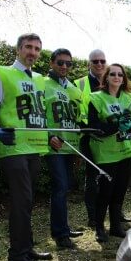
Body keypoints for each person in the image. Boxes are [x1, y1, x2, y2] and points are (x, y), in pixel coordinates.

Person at [0, 33, 55, 261]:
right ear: (18, 49)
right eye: (28, 47)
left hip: (33, 145)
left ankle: (27, 247)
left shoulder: (39, 80)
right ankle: (16, 255)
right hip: (13, 148)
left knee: (28, 199)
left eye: (37, 49)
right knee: (21, 199)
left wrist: (50, 135)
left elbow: (40, 112)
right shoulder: (3, 74)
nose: (32, 52)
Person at [88, 64, 131, 242]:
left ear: (124, 78)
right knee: (105, 191)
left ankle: (115, 226)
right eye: (112, 74)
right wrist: (115, 126)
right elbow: (94, 127)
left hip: (126, 151)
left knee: (120, 190)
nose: (116, 77)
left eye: (120, 74)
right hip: (106, 153)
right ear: (106, 77)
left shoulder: (130, 97)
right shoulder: (96, 98)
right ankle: (99, 227)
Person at [43, 48, 84, 249]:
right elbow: (36, 113)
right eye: (60, 62)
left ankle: (64, 227)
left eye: (68, 63)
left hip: (71, 146)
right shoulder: (42, 84)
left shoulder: (74, 88)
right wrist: (48, 136)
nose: (64, 67)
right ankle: (60, 234)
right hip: (54, 147)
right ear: (51, 63)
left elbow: (79, 118)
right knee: (59, 188)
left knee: (66, 187)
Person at [75, 49, 106, 228]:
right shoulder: (79, 84)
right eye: (95, 61)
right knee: (92, 178)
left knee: (111, 178)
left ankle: (115, 212)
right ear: (89, 64)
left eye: (102, 61)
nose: (99, 64)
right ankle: (92, 216)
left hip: (109, 138)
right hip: (89, 137)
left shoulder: (111, 81)